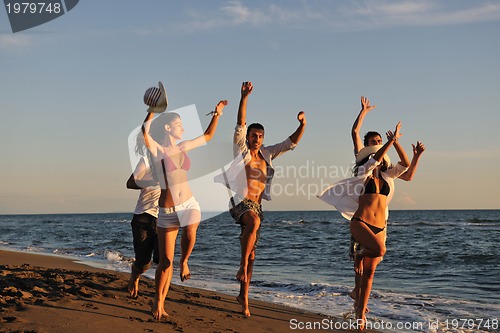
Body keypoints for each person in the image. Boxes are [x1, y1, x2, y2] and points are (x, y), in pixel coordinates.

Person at [215, 81, 306, 317]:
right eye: (253, 135)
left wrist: (302, 124)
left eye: (260, 136)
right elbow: (240, 124)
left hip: (256, 205)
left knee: (253, 252)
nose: (256, 138)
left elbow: (291, 143)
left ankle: (243, 296)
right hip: (239, 202)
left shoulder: (267, 153)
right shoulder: (240, 150)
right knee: (253, 223)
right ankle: (241, 266)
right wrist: (243, 97)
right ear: (248, 137)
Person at [142, 90, 228, 320]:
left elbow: (208, 136)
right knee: (165, 264)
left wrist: (217, 114)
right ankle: (158, 302)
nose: (183, 128)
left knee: (191, 227)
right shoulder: (158, 151)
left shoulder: (184, 147)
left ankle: (186, 261)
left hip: (189, 203)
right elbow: (145, 132)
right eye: (179, 124)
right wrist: (154, 109)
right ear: (168, 128)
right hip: (167, 211)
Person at [350, 96, 425, 310]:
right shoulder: (361, 166)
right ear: (366, 147)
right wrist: (363, 111)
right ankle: (358, 300)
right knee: (362, 267)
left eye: (379, 142)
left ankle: (359, 303)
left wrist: (413, 153)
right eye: (373, 142)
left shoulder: (387, 172)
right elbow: (355, 133)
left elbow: (408, 173)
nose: (376, 144)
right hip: (363, 220)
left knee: (370, 270)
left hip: (382, 223)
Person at [126, 128, 161, 299]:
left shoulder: (172, 161)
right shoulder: (146, 160)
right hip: (143, 217)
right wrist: (152, 180)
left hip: (163, 218)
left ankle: (159, 298)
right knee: (144, 263)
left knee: (163, 260)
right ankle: (135, 276)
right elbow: (130, 183)